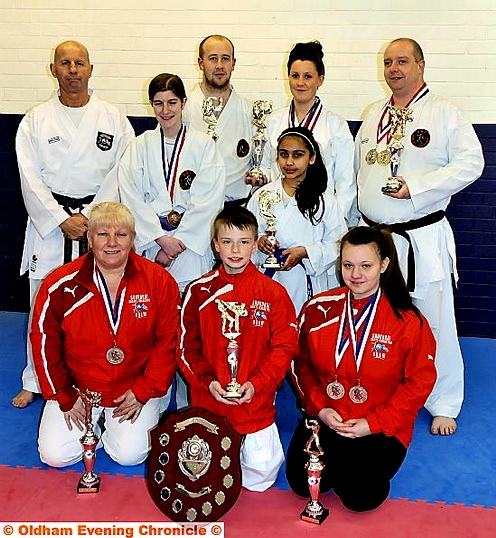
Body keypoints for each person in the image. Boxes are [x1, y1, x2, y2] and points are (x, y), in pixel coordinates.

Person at [355, 37, 484, 436]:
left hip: (422, 236)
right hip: (379, 240)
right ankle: (385, 392)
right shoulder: (374, 113)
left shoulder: (446, 113)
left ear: (421, 65)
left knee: (435, 322)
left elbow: (472, 163)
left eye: (403, 61)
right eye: (389, 62)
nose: (395, 69)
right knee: (383, 321)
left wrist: (418, 186)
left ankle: (444, 401)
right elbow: (361, 172)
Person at [12, 40, 135, 409]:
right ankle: (35, 378)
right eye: (64, 63)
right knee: (41, 305)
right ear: (54, 70)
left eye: (79, 62)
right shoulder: (35, 119)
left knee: (99, 306)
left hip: (99, 227)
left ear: (90, 68)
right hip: (51, 228)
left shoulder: (113, 118)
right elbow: (28, 176)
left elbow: (123, 171)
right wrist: (61, 218)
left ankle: (92, 375)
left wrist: (94, 219)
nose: (72, 70)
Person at [286, 226, 437, 512]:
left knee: (360, 497)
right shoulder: (318, 310)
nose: (355, 275)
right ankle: (340, 457)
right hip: (328, 417)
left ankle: (351, 463)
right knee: (300, 483)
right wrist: (318, 407)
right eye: (348, 265)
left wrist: (374, 424)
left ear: (384, 265)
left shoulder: (407, 320)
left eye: (365, 266)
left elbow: (420, 381)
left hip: (381, 424)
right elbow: (299, 361)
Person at [30, 202, 180, 467]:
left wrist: (145, 390)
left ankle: (151, 405)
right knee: (55, 456)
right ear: (89, 239)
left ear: (133, 239)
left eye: (121, 234)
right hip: (80, 386)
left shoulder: (158, 281)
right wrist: (65, 396)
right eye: (102, 234)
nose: (112, 243)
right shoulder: (61, 284)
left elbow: (170, 341)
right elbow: (44, 341)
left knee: (129, 456)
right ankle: (95, 424)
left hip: (134, 386)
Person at [118, 73, 225, 410]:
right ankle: (155, 396)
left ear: (184, 103)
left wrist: (177, 243)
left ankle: (192, 399)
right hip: (154, 250)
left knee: (193, 328)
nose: (165, 110)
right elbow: (130, 195)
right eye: (159, 103)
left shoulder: (204, 146)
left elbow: (210, 198)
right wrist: (159, 238)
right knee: (155, 326)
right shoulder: (139, 146)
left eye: (172, 103)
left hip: (190, 254)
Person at [178, 206, 298, 492]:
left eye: (244, 242)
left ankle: (249, 448)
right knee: (201, 479)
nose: (235, 250)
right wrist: (208, 383)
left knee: (259, 481)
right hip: (210, 402)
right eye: (227, 241)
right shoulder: (199, 291)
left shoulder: (273, 293)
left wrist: (257, 384)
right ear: (215, 245)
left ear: (255, 245)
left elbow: (285, 346)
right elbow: (186, 347)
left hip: (253, 402)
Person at [248, 127, 347, 311]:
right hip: (266, 279)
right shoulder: (261, 195)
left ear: (312, 158)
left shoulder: (325, 200)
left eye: (297, 155)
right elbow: (246, 235)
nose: (289, 162)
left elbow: (339, 244)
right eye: (283, 154)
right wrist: (259, 242)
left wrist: (305, 252)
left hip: (305, 282)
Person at [260, 41, 356, 223]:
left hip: (319, 217)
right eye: (295, 76)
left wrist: (334, 221)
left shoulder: (336, 125)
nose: (301, 83)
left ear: (320, 79)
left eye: (308, 76)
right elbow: (265, 166)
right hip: (277, 215)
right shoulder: (273, 121)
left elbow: (345, 181)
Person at [184, 34, 254, 205]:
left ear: (233, 63)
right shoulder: (183, 108)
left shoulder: (250, 111)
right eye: (213, 59)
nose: (220, 66)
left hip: (236, 208)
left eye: (225, 59)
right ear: (201, 63)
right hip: (193, 206)